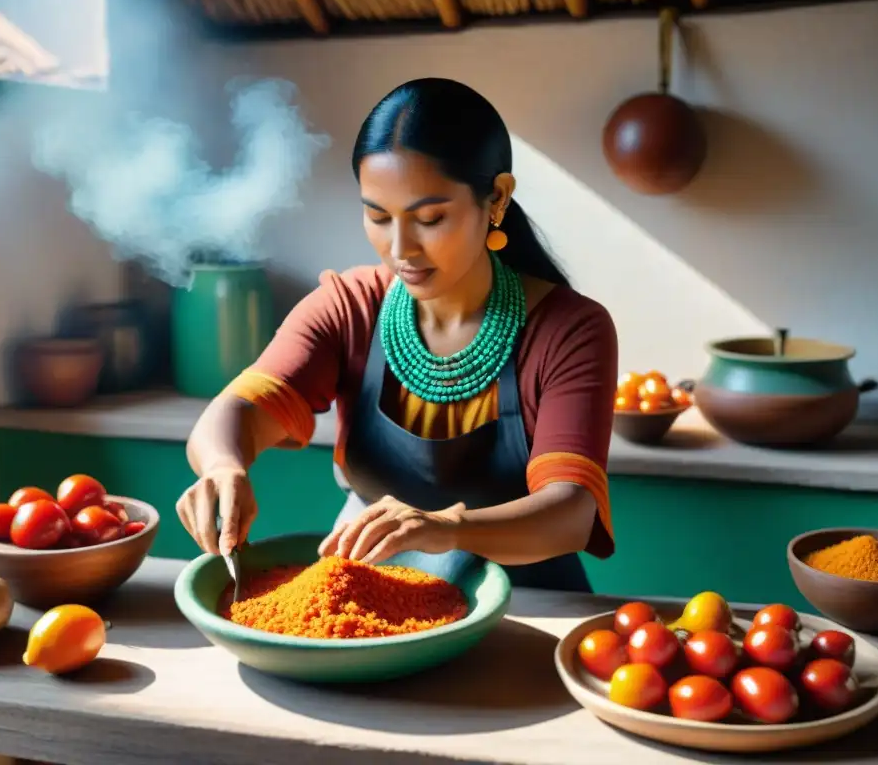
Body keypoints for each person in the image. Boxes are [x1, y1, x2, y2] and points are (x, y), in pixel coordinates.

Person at [177, 77, 618, 591]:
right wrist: (223, 466)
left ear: (496, 198)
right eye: (378, 216)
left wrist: (443, 527)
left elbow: (570, 513)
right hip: (368, 595)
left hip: (529, 607)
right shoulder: (349, 308)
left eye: (429, 218)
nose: (400, 248)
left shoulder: (569, 330)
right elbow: (234, 413)